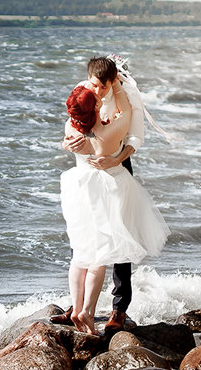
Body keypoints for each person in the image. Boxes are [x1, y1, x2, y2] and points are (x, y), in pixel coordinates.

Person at [57, 82, 168, 336]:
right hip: (107, 191)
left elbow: (76, 130)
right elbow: (128, 117)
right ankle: (86, 311)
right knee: (101, 256)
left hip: (79, 191)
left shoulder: (71, 127)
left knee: (80, 255)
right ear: (95, 107)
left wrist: (67, 143)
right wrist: (119, 86)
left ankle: (79, 308)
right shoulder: (106, 133)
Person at [64, 56, 148, 335]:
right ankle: (80, 307)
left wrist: (115, 159)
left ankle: (118, 308)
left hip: (115, 163)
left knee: (119, 236)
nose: (96, 92)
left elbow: (135, 138)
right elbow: (77, 120)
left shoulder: (129, 94)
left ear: (113, 81)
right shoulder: (86, 90)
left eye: (102, 87)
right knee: (90, 240)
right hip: (96, 162)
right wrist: (76, 141)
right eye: (93, 86)